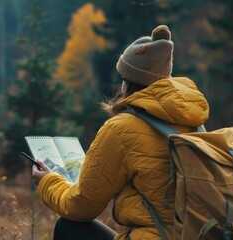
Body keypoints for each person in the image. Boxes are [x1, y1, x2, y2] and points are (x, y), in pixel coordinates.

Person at [32, 25, 209, 240]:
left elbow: (81, 207)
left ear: (127, 80)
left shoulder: (121, 129)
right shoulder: (196, 124)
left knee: (68, 227)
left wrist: (47, 182)